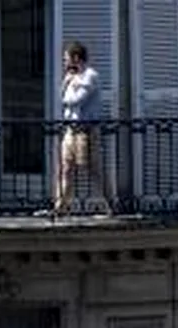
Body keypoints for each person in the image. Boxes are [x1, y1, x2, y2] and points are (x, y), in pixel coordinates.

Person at [47, 41, 110, 215]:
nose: (64, 62)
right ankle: (60, 206)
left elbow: (76, 100)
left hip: (86, 131)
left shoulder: (90, 76)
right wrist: (68, 83)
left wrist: (72, 84)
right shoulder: (73, 78)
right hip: (70, 129)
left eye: (66, 58)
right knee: (65, 167)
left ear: (76, 58)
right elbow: (62, 97)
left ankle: (109, 203)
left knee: (92, 168)